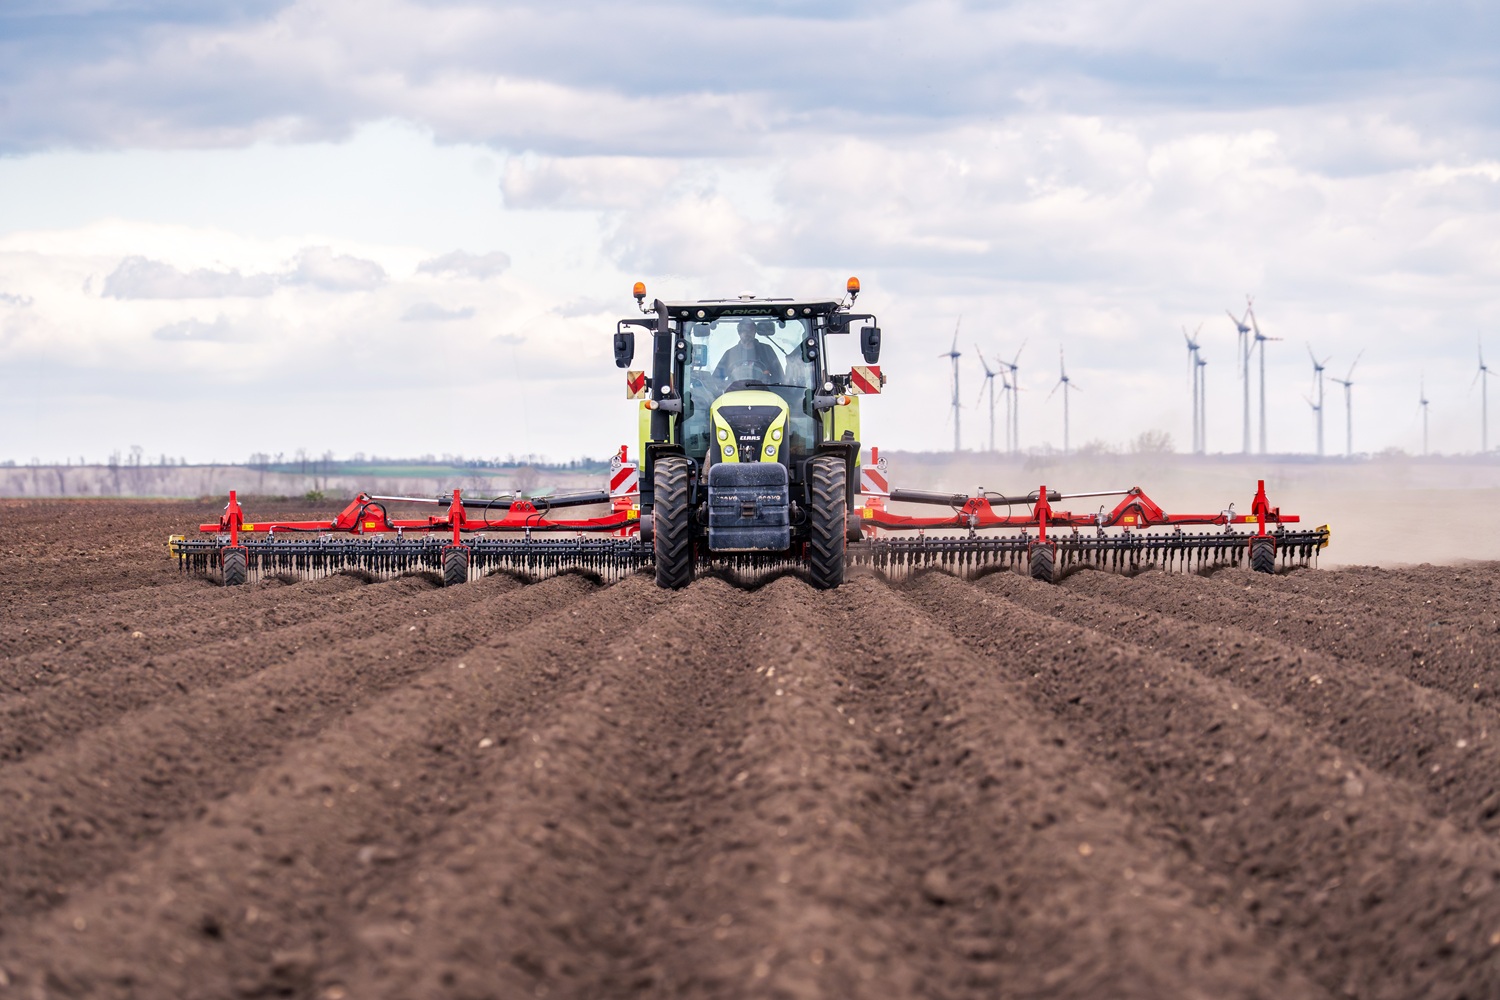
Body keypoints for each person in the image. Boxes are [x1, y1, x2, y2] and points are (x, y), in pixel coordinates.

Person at [713, 318, 784, 384]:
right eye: (744, 330)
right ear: (739, 332)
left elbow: (779, 376)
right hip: (735, 391)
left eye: (750, 330)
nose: (747, 333)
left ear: (755, 331)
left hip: (763, 391)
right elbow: (716, 378)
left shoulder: (766, 350)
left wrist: (767, 381)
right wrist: (727, 385)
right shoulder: (730, 354)